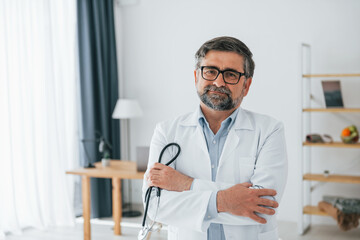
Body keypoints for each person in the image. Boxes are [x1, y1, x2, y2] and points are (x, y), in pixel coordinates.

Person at [142, 36, 288, 240]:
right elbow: (156, 206)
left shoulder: (270, 130)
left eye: (230, 74)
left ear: (246, 85)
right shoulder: (167, 131)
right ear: (196, 77)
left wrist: (188, 185)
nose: (218, 82)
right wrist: (228, 200)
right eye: (210, 71)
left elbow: (262, 206)